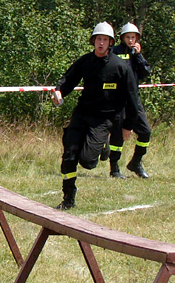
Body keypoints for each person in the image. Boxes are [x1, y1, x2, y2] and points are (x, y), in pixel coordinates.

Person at [51, 22, 142, 210]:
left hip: (103, 120)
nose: (101, 43)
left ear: (110, 43)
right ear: (94, 41)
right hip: (82, 114)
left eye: (105, 40)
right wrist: (59, 91)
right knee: (69, 154)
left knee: (88, 162)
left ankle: (103, 146)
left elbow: (132, 97)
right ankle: (68, 196)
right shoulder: (85, 61)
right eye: (98, 39)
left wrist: (128, 125)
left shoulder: (120, 66)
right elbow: (69, 79)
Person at [109, 22, 152, 178]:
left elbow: (145, 73)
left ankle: (136, 163)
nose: (131, 40)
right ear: (122, 38)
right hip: (117, 100)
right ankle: (114, 169)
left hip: (133, 100)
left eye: (133, 37)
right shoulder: (114, 51)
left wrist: (138, 56)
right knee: (117, 136)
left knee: (146, 132)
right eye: (128, 37)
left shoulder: (136, 54)